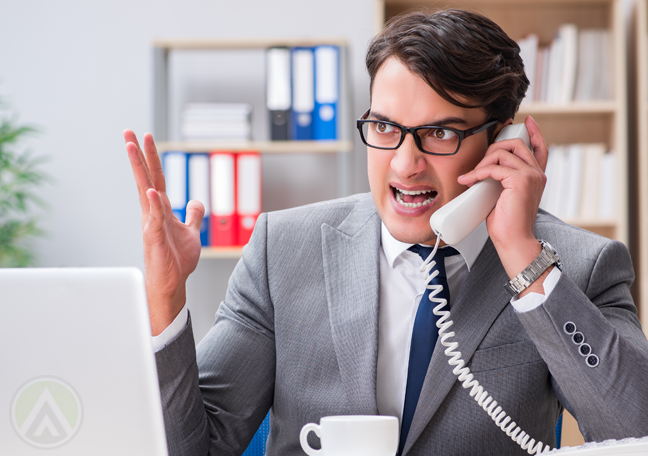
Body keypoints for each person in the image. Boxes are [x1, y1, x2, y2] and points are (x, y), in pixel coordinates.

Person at [123, 9, 648, 456]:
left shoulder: (578, 266)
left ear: (502, 141)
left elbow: (633, 430)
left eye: (439, 133)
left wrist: (521, 256)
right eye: (384, 128)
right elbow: (198, 446)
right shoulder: (282, 250)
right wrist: (165, 299)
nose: (404, 163)